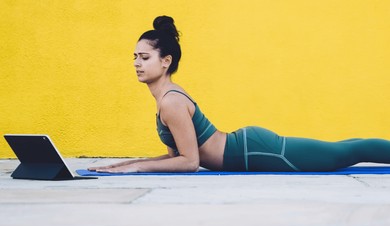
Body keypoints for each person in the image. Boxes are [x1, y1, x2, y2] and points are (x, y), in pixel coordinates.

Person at [89, 15, 390, 173]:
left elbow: (190, 162)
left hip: (258, 150)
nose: (136, 63)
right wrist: (126, 165)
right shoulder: (165, 99)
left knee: (350, 152)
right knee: (347, 148)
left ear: (165, 61)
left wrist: (138, 167)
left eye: (144, 57)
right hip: (248, 148)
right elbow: (174, 157)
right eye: (135, 57)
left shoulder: (171, 102)